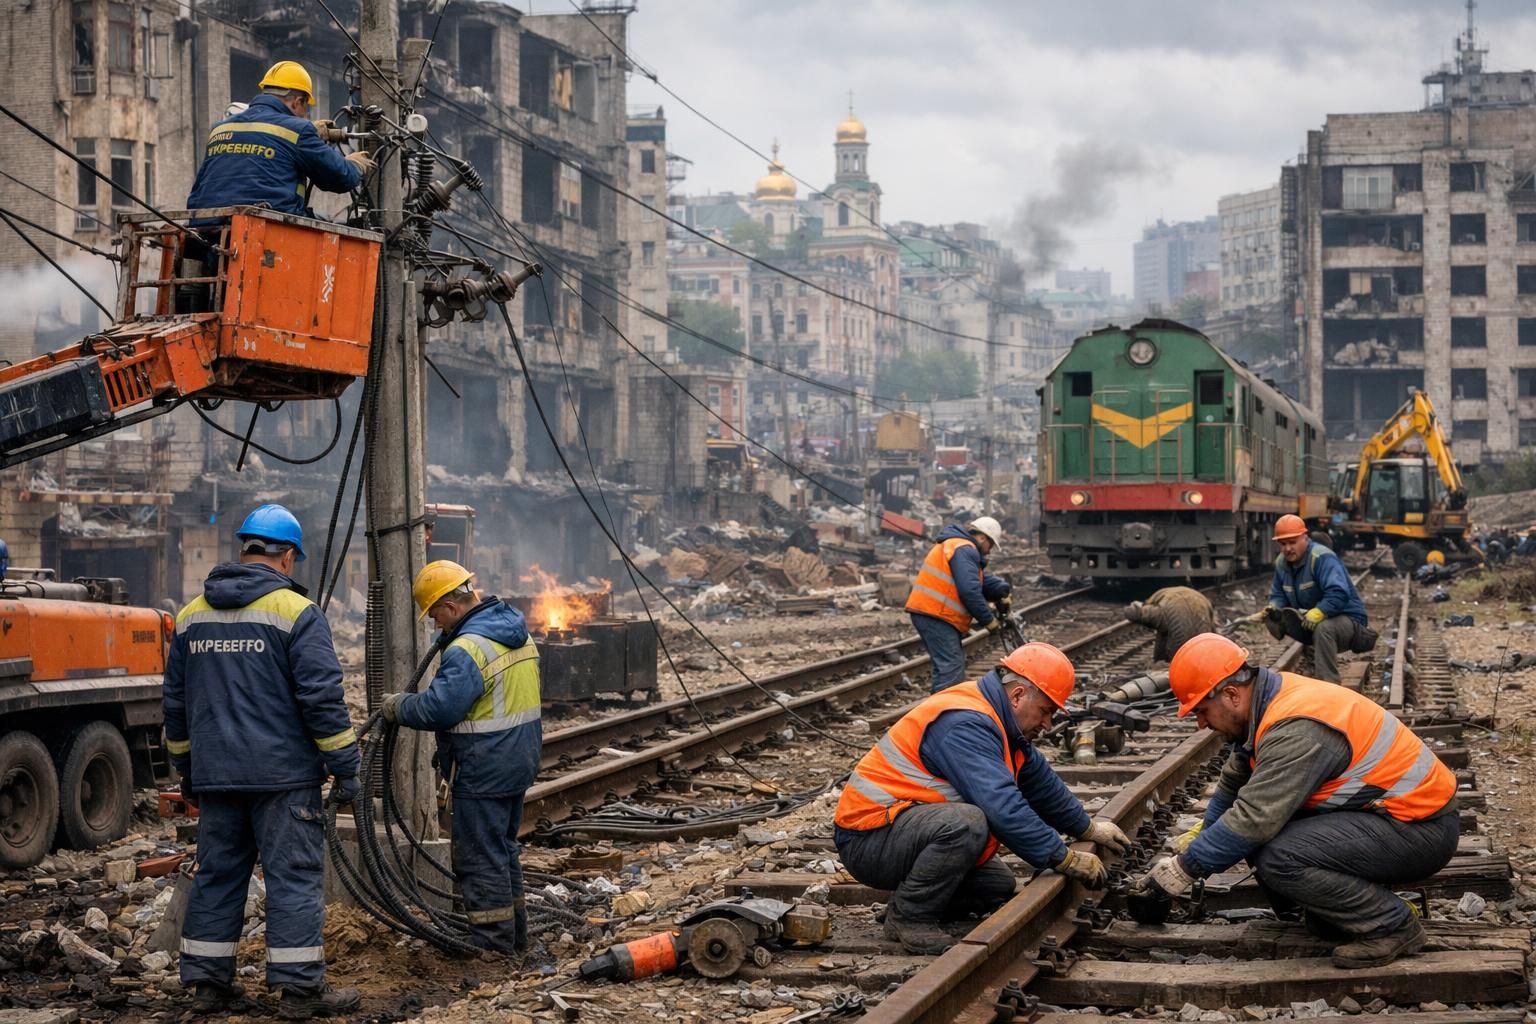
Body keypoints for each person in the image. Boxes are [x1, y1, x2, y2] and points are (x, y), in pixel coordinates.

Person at [1133, 633, 1458, 970]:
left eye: (1201, 710)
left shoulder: (1296, 728)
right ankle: (1333, 911)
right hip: (1388, 819)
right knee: (1253, 842)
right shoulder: (1267, 704)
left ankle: (1392, 924)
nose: (1201, 723)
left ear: (1231, 694)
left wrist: (1180, 872)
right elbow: (1232, 788)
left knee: (1277, 856)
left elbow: (1253, 819)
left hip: (1421, 829)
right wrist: (1198, 843)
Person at [163, 504, 360, 1018]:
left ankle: (208, 983)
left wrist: (187, 770)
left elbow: (176, 706)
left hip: (217, 777)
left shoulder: (190, 616)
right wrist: (346, 764)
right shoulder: (296, 613)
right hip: (283, 778)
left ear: (245, 549)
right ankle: (299, 992)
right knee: (293, 878)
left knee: (218, 874)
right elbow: (321, 698)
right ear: (288, 557)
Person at [834, 643, 1129, 954]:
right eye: (1046, 711)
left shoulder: (999, 720)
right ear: (1017, 695)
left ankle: (912, 897)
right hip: (868, 840)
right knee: (968, 824)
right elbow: (1002, 805)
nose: (1047, 725)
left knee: (996, 887)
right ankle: (910, 918)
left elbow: (1040, 781)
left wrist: (1088, 829)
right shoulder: (965, 723)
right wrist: (1063, 857)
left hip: (902, 833)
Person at [380, 561, 542, 954]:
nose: (435, 624)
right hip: (518, 760)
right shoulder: (516, 633)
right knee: (502, 850)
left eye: (434, 614)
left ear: (451, 606)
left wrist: (397, 707)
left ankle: (492, 946)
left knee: (479, 858)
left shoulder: (468, 648)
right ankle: (515, 938)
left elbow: (440, 709)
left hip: (484, 767)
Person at [187, 60, 371, 217]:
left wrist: (309, 134)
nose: (306, 116)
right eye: (305, 109)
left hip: (208, 228)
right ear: (296, 102)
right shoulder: (299, 130)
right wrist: (356, 165)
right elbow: (340, 178)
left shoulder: (220, 129)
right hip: (267, 228)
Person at [1263, 514, 1375, 683]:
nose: (1287, 549)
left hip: (1350, 621)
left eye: (1292, 542)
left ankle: (1329, 685)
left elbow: (1339, 593)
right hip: (1313, 618)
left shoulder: (1321, 557)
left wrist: (1320, 611)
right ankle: (1313, 657)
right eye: (1283, 544)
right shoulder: (1282, 563)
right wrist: (1273, 607)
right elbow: (1278, 594)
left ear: (1304, 538)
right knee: (1277, 618)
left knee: (1324, 629)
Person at [906, 516, 1014, 691]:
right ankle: (943, 714)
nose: (989, 551)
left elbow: (977, 579)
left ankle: (940, 711)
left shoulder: (960, 546)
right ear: (982, 538)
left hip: (933, 612)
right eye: (991, 545)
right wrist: (989, 621)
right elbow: (969, 590)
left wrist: (1001, 590)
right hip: (937, 614)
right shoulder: (965, 548)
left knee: (946, 669)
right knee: (951, 671)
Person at [1123, 586, 1214, 663]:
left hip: (1178, 655)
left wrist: (1137, 606)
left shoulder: (1159, 610)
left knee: (1172, 658)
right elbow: (1213, 632)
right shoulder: (1203, 601)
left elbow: (1132, 613)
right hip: (1201, 604)